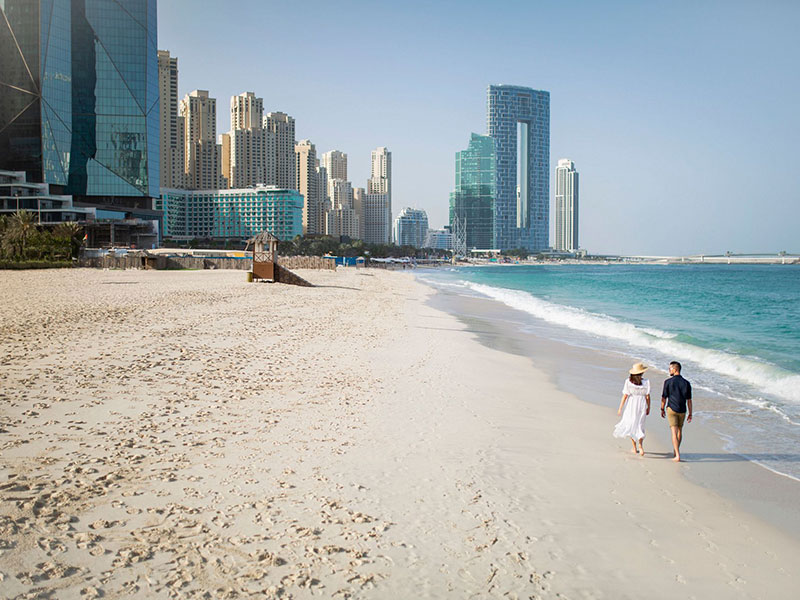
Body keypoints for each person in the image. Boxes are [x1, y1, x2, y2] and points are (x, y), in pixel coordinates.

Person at [613, 362, 651, 456]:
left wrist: (620, 408)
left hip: (631, 404)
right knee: (640, 425)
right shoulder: (646, 382)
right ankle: (641, 446)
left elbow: (625, 395)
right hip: (642, 404)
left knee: (631, 425)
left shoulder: (628, 381)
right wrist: (648, 407)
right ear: (642, 373)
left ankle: (634, 448)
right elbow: (647, 397)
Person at [661, 361, 692, 462]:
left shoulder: (668, 382)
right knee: (680, 431)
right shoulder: (686, 383)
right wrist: (690, 413)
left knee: (673, 432)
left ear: (675, 369)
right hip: (682, 410)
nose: (669, 370)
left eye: (670, 368)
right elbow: (689, 400)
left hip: (671, 409)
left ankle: (677, 455)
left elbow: (664, 397)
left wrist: (662, 408)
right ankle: (676, 450)